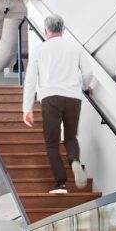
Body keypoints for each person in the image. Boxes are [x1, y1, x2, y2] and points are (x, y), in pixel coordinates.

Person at [22, 14, 93, 195]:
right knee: (70, 137)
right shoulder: (75, 47)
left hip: (50, 98)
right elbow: (87, 73)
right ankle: (74, 161)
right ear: (63, 29)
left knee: (52, 143)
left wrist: (27, 109)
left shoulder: (39, 50)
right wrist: (85, 87)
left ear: (46, 31)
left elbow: (30, 80)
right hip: (73, 98)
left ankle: (61, 184)